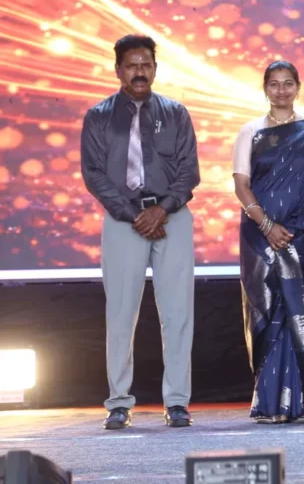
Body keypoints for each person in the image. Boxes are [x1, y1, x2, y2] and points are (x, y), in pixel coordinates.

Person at [80, 34, 200, 430]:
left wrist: (161, 211)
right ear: (118, 70)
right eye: (132, 65)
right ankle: (118, 402)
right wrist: (135, 215)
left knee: (178, 313)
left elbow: (189, 172)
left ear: (155, 68)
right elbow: (94, 175)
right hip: (123, 221)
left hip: (172, 218)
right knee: (120, 313)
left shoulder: (175, 113)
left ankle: (177, 402)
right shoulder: (98, 116)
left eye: (146, 65)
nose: (139, 72)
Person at [232, 60, 304, 424]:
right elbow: (241, 185)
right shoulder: (251, 131)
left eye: (288, 83)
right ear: (265, 89)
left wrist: (296, 231)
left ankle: (302, 401)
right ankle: (269, 402)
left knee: (300, 315)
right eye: (274, 84)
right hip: (261, 239)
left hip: (303, 239)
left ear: (298, 87)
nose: (281, 90)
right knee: (266, 311)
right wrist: (267, 225)